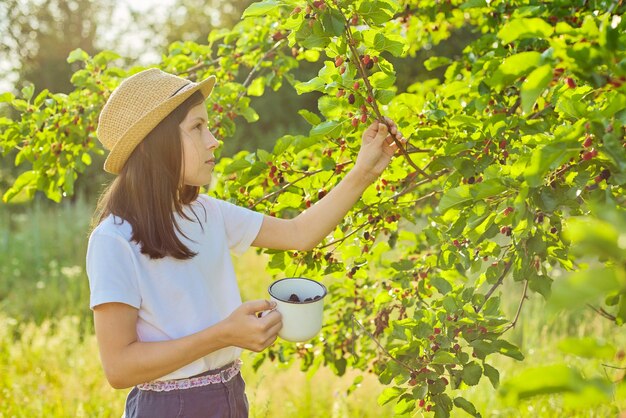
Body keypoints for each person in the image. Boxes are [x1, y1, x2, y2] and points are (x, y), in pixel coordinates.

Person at [86, 68, 406, 417]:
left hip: (230, 398)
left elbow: (299, 234)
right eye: (197, 127)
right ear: (156, 143)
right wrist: (224, 334)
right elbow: (119, 368)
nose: (213, 140)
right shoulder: (114, 239)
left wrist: (364, 171)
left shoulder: (206, 213)